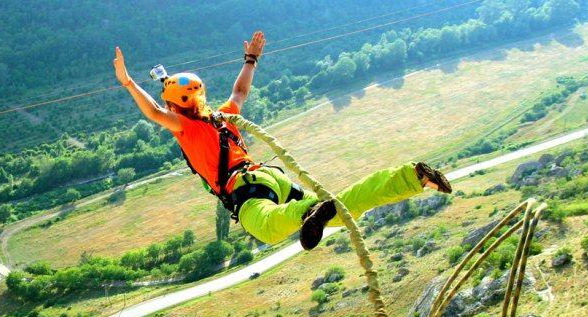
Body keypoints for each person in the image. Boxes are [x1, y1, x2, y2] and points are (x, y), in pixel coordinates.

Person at [113, 31, 452, 250]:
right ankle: (412, 176)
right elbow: (240, 90)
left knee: (269, 228)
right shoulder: (222, 118)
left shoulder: (186, 128)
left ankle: (309, 211)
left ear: (175, 106)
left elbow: (155, 112)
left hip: (245, 188)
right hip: (269, 176)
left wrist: (129, 83)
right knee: (342, 209)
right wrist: (251, 59)